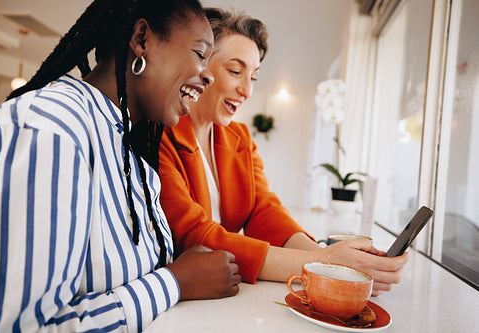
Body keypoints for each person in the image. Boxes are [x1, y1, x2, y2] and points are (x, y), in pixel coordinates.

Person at [0, 1, 242, 331]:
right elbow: (21, 327)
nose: (207, 74)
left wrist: (182, 268)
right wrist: (174, 282)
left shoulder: (133, 160)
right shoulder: (48, 131)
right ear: (142, 39)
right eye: (201, 54)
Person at [158, 7, 409, 296]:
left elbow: (264, 211)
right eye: (235, 71)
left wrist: (329, 259)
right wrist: (320, 263)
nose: (247, 91)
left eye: (252, 77)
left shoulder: (239, 138)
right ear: (199, 65)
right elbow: (194, 236)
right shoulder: (160, 135)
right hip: (186, 299)